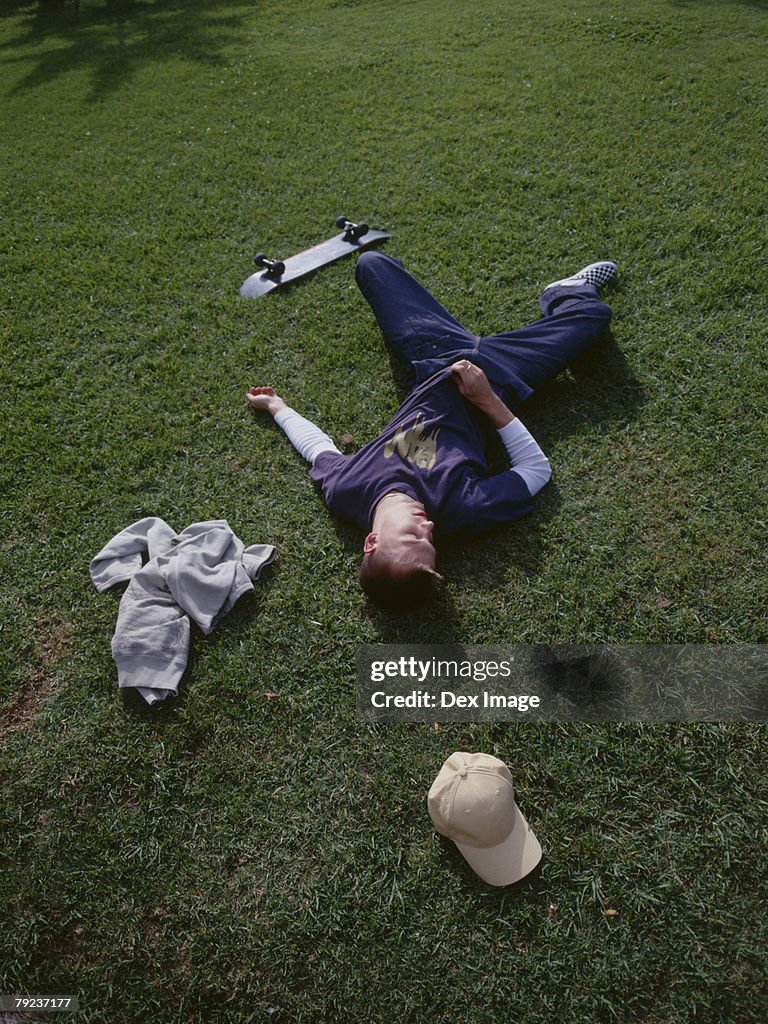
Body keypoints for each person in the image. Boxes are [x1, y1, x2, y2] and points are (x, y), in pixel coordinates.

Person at [246, 251, 617, 609]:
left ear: (372, 541)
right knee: (592, 314)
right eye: (431, 541)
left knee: (372, 264)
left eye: (412, 535)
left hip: (430, 357)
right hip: (503, 374)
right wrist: (487, 399)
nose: (428, 527)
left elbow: (317, 450)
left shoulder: (347, 491)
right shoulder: (462, 509)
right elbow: (536, 472)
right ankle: (564, 293)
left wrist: (278, 407)